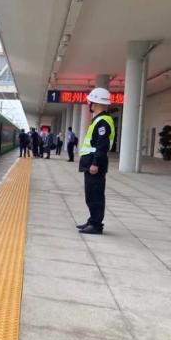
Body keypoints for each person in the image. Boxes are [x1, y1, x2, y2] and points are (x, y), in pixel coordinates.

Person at [77, 87, 115, 235]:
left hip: (95, 163)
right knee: (91, 194)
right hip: (91, 161)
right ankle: (92, 220)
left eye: (90, 101)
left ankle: (96, 225)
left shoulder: (103, 122)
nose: (89, 104)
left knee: (95, 195)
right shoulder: (98, 120)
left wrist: (95, 163)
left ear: (96, 103)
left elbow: (102, 145)